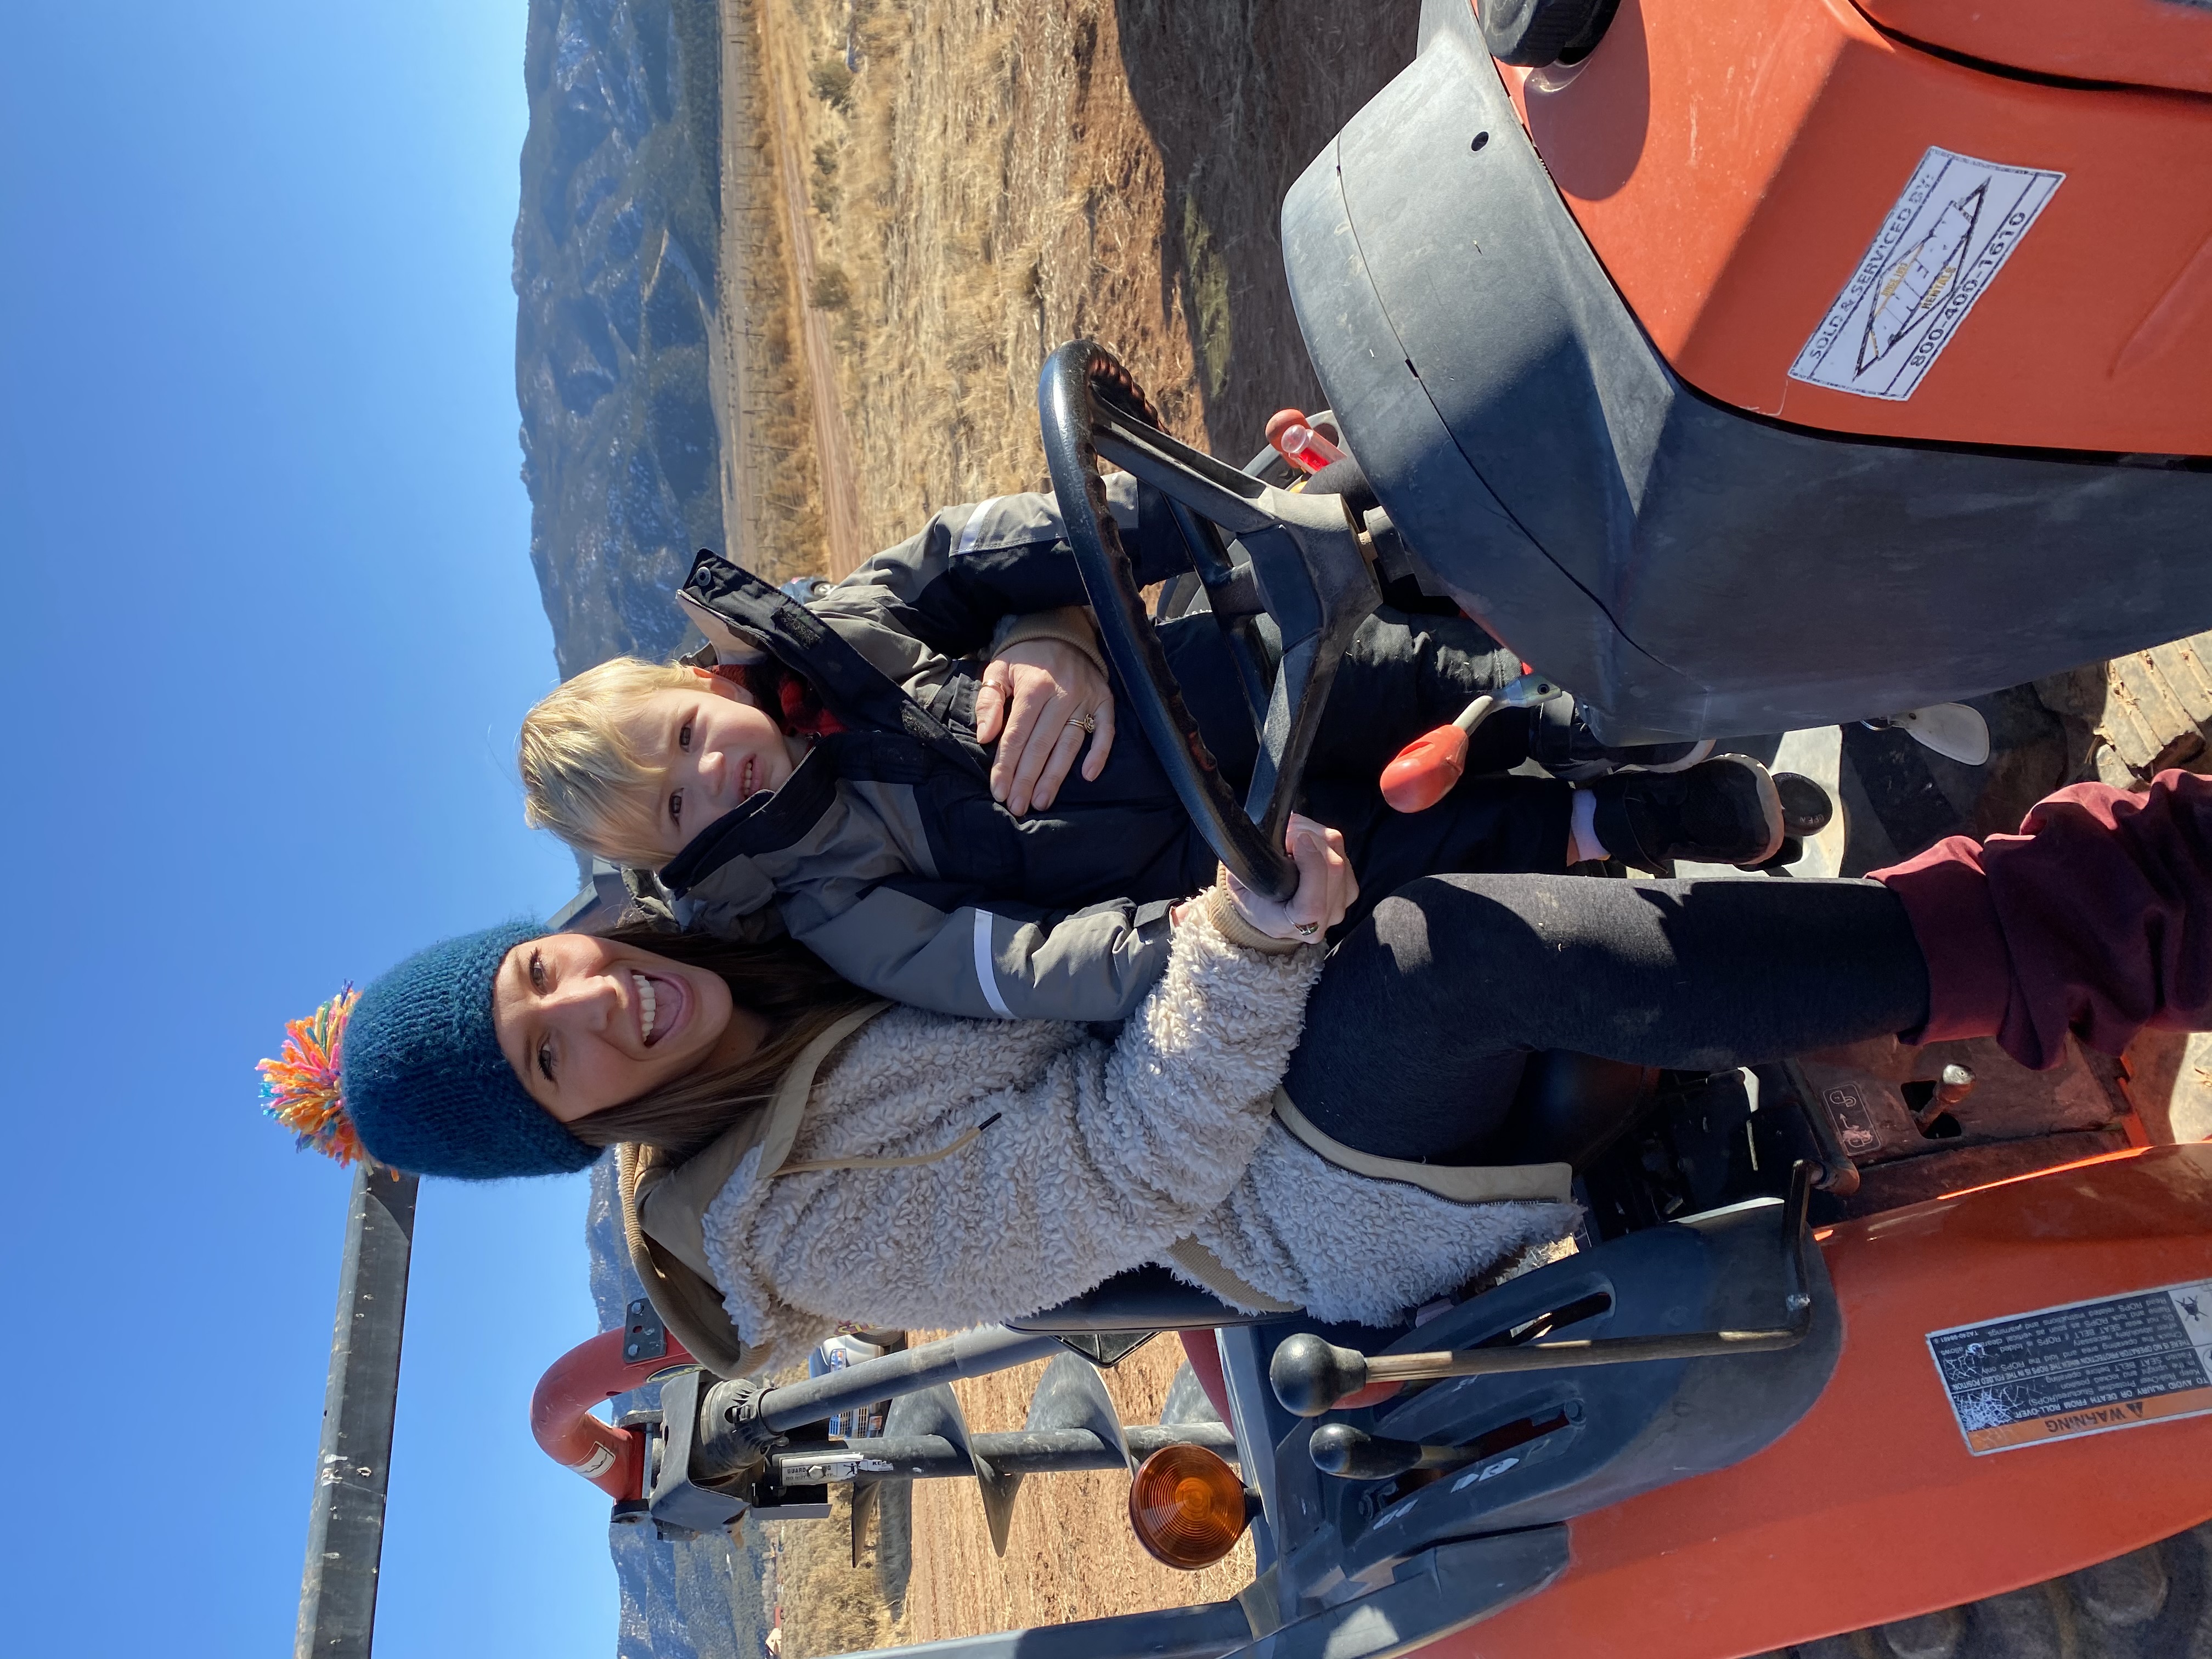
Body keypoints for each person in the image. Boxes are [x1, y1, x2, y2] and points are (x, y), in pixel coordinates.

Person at [263, 771, 2212, 1378]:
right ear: (580, 1129)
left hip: (1236, 1057)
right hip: (1300, 1194)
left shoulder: (766, 935)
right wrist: (1248, 940)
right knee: (1438, 954)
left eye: (545, 973)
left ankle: (1860, 881)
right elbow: (1131, 1167)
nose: (594, 1007)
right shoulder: (798, 1226)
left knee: (1448, 742)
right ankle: (2124, 910)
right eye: (551, 1061)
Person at [514, 483, 1811, 1023]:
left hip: (1216, 686)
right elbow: (1006, 967)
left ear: (700, 680)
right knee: (1432, 848)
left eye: (690, 737)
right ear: (686, 855)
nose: (715, 773)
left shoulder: (845, 629)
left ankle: (1565, 716)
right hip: (1209, 853)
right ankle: (1631, 829)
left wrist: (1062, 611)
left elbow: (981, 550)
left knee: (1401, 682)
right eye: (681, 805)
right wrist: (1194, 936)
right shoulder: (835, 898)